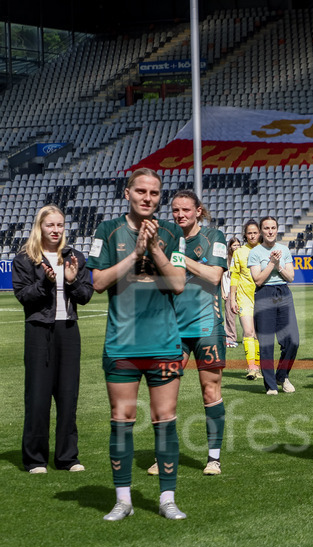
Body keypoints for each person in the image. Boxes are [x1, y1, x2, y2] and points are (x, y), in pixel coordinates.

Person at [87, 168, 187, 521]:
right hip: (122, 345)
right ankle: (123, 500)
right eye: (141, 191)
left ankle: (167, 499)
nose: (148, 198)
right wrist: (134, 253)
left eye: (155, 193)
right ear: (127, 193)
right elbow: (97, 282)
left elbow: (177, 284)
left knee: (165, 420)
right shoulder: (107, 230)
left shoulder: (173, 232)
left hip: (163, 343)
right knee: (122, 420)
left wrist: (155, 247)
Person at [12, 205, 93, 474]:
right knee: (38, 396)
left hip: (68, 330)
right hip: (38, 330)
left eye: (60, 225)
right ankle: (35, 459)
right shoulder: (25, 259)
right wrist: (46, 283)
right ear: (40, 227)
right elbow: (24, 297)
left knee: (68, 396)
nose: (56, 230)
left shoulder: (75, 257)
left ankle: (68, 457)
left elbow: (85, 295)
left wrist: (70, 281)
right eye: (50, 225)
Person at [165, 190, 229, 476]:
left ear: (198, 211)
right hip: (173, 328)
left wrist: (180, 259)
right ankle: (164, 455)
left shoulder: (213, 237)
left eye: (185, 210)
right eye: (175, 210)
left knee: (210, 390)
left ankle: (213, 458)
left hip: (207, 326)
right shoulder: (166, 239)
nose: (180, 215)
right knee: (166, 392)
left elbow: (215, 275)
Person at [248, 216, 299, 395]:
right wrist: (271, 263)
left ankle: (282, 376)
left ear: (277, 230)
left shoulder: (284, 250)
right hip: (264, 295)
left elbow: (291, 277)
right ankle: (271, 385)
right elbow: (258, 280)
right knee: (266, 343)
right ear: (262, 231)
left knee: (292, 340)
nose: (270, 231)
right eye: (266, 228)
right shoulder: (255, 252)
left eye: (273, 228)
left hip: (283, 293)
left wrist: (279, 265)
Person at [229, 219, 260, 380]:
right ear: (245, 235)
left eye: (255, 232)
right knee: (248, 331)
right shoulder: (239, 252)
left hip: (263, 297)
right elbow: (234, 276)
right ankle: (252, 368)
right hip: (244, 298)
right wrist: (233, 299)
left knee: (260, 334)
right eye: (249, 233)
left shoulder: (265, 250)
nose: (252, 235)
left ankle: (259, 367)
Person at [223, 237, 241, 347]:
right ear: (230, 247)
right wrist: (223, 291)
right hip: (229, 290)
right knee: (230, 315)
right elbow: (221, 276)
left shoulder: (243, 256)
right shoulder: (226, 260)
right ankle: (230, 337)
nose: (236, 247)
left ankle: (249, 336)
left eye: (238, 245)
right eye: (234, 245)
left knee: (245, 314)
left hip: (242, 289)